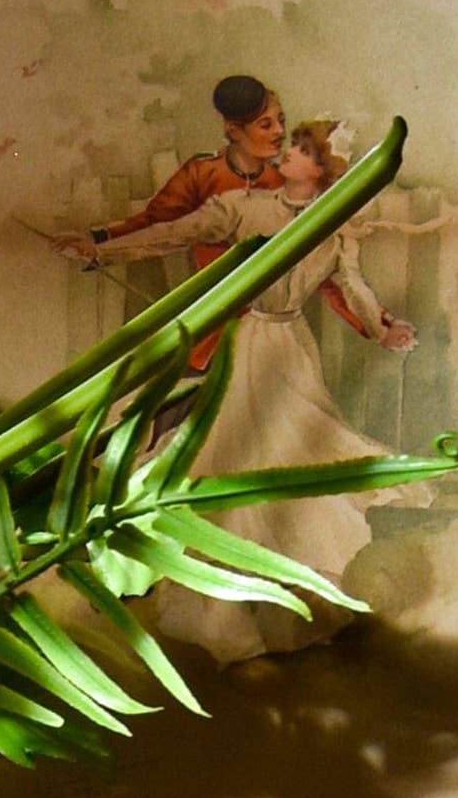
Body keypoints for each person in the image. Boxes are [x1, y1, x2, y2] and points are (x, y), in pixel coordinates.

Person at [141, 118, 422, 662]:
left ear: (317, 169)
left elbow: (352, 286)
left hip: (291, 349)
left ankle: (298, 596)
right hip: (245, 346)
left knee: (291, 459)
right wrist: (101, 247)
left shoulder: (332, 228)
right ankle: (218, 610)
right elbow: (177, 232)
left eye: (298, 148)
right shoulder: (249, 207)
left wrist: (383, 328)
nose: (285, 152)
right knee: (229, 458)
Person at [53, 73, 286, 269]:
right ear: (234, 131)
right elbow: (155, 223)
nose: (280, 131)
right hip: (211, 302)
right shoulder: (202, 173)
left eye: (281, 121)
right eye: (266, 125)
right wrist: (96, 241)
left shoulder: (284, 181)